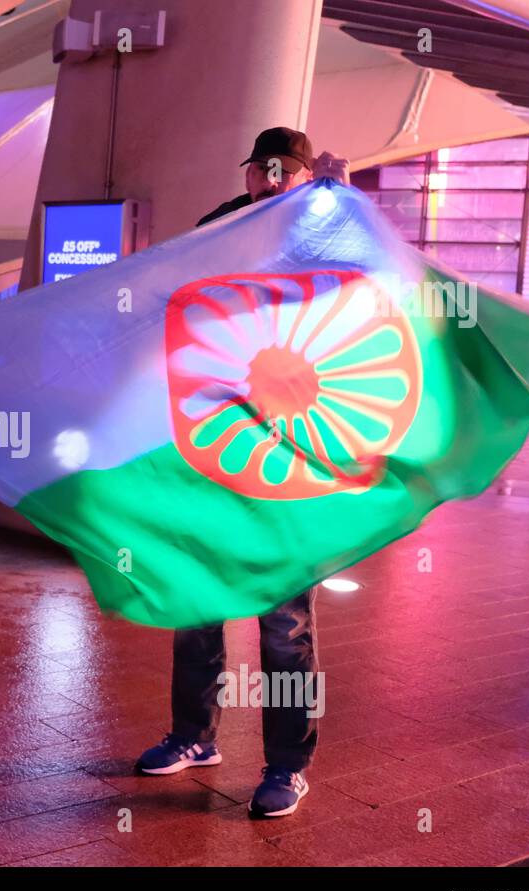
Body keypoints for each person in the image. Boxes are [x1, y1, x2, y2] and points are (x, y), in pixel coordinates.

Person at [134, 127, 350, 818]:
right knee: (197, 601)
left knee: (284, 623)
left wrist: (330, 205)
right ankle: (194, 737)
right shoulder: (218, 229)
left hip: (292, 456)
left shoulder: (330, 233)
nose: (269, 178)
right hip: (213, 446)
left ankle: (288, 763)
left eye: (283, 168)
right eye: (260, 168)